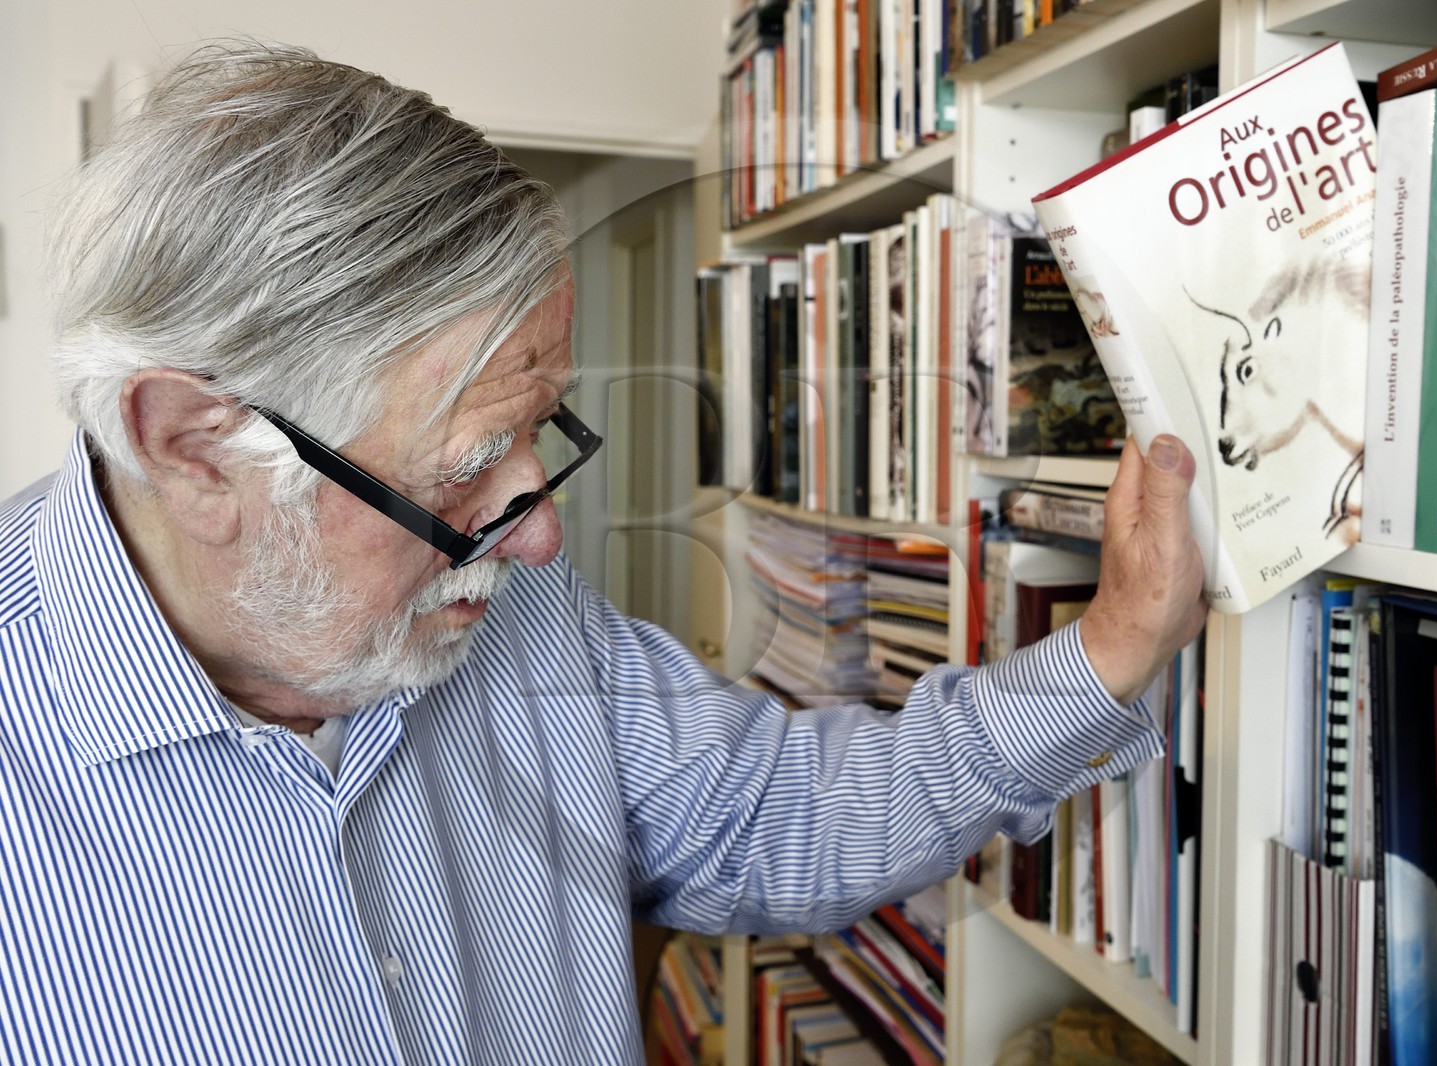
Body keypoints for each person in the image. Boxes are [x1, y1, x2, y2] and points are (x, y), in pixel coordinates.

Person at [0, 42, 1206, 1065]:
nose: (540, 534)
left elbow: (773, 817)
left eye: (540, 433)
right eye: (469, 462)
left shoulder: (500, 601)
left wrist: (1107, 646)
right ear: (196, 446)